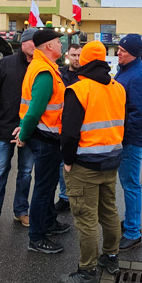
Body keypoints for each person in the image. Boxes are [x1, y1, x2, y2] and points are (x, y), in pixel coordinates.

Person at [58, 41, 125, 283]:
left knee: (85, 218)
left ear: (83, 61)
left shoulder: (79, 89)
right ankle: (111, 256)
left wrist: (67, 161)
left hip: (85, 165)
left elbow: (70, 134)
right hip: (110, 161)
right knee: (109, 210)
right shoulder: (118, 88)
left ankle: (87, 272)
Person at [13, 28, 70, 254]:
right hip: (45, 137)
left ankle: (48, 222)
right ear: (48, 46)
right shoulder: (44, 72)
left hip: (44, 135)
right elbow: (35, 110)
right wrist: (23, 135)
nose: (60, 45)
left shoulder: (43, 67)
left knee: (47, 184)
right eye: (58, 42)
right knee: (44, 189)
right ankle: (36, 238)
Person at [0, 28, 37, 232]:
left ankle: (21, 211)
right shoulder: (5, 64)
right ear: (24, 43)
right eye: (33, 43)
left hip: (29, 130)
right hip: (5, 128)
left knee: (26, 173)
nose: (37, 47)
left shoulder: (40, 67)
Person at [114, 34, 142, 250]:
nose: (118, 52)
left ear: (134, 54)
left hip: (130, 140)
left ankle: (133, 231)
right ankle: (130, 221)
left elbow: (139, 114)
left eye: (123, 50)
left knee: (130, 184)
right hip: (124, 138)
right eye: (119, 49)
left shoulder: (139, 77)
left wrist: (124, 138)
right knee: (127, 183)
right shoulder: (126, 70)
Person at [55, 42, 83, 213]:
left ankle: (78, 198)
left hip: (83, 127)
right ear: (67, 56)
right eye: (74, 55)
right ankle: (65, 197)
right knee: (62, 165)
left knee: (80, 166)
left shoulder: (87, 76)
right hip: (62, 126)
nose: (77, 59)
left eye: (79, 55)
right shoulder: (59, 74)